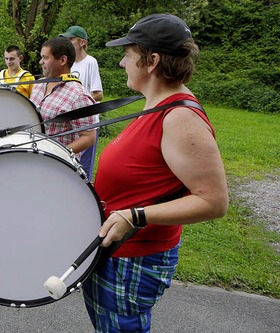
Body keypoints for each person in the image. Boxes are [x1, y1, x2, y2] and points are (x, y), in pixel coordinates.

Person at [82, 14, 228, 332]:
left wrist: (134, 216)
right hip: (117, 252)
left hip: (134, 260)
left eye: (128, 55)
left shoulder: (180, 117)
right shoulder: (157, 105)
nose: (122, 63)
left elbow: (214, 201)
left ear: (152, 61)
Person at [28, 37, 96, 157]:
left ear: (62, 60)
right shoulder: (39, 84)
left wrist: (56, 153)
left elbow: (89, 137)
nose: (40, 62)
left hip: (57, 167)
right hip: (33, 157)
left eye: (45, 57)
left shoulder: (79, 95)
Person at [60, 26, 103, 181]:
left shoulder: (90, 62)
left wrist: (76, 102)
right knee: (69, 164)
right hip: (70, 124)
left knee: (84, 169)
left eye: (71, 39)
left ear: (82, 42)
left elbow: (99, 94)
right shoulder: (67, 64)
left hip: (87, 125)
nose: (67, 42)